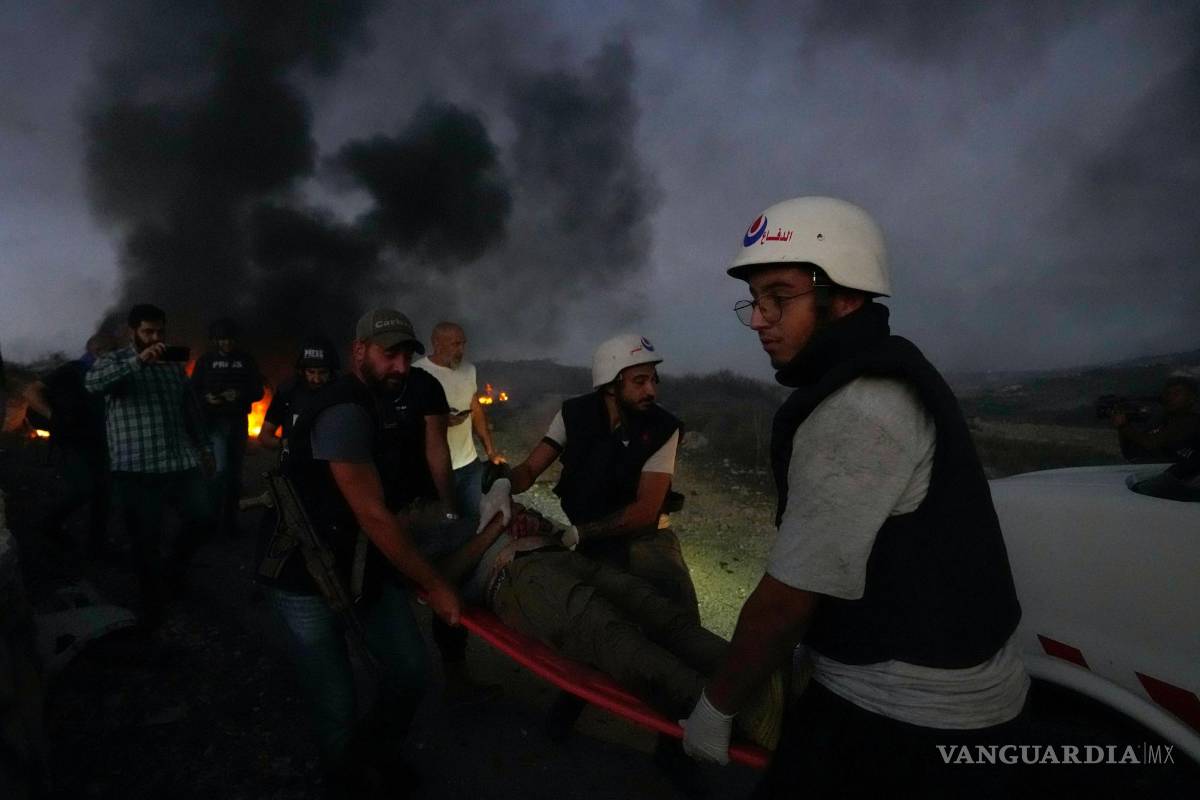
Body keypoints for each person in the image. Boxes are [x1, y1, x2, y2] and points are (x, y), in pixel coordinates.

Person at [681, 197, 1028, 797]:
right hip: (944, 695)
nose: (760, 320)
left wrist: (717, 704)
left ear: (844, 297)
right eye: (755, 302)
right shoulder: (884, 371)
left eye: (779, 298)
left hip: (906, 715)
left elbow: (787, 600)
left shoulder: (859, 409)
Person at [255, 308, 460, 796]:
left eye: (407, 357)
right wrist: (434, 584)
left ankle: (375, 754)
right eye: (390, 355)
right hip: (304, 574)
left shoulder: (377, 401)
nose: (401, 368)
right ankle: (346, 779)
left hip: (362, 563)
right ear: (360, 351)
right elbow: (372, 512)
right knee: (335, 700)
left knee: (409, 670)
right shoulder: (344, 409)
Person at [438, 504, 782, 750]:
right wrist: (496, 528)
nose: (417, 503)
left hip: (558, 556)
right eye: (411, 504)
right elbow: (437, 585)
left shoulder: (463, 506)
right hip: (517, 580)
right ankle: (739, 716)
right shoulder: (422, 539)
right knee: (614, 637)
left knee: (663, 617)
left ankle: (763, 686)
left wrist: (532, 521)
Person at [85, 304, 218, 628]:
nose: (155, 338)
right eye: (148, 332)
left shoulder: (173, 364)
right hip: (137, 467)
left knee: (203, 517)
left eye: (159, 331)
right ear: (134, 332)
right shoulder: (114, 361)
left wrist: (204, 447)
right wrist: (138, 361)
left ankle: (173, 571)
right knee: (146, 539)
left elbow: (189, 407)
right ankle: (151, 612)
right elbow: (93, 384)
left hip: (178, 460)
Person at [22, 333, 117, 557]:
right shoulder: (70, 370)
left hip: (99, 441)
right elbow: (31, 392)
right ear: (97, 351)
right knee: (84, 488)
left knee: (104, 493)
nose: (114, 358)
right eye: (110, 353)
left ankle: (97, 546)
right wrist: (53, 417)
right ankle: (49, 525)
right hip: (72, 441)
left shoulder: (105, 375)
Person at [413, 321, 503, 528]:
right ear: (436, 343)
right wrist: (441, 421)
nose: (461, 350)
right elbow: (409, 423)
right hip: (436, 471)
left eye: (463, 344)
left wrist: (491, 452)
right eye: (455, 344)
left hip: (470, 466)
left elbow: (476, 410)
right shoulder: (417, 374)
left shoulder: (469, 370)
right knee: (445, 526)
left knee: (476, 522)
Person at [191, 318, 264, 537]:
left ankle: (229, 523)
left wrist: (239, 395)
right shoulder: (205, 361)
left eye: (230, 339)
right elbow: (194, 390)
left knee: (234, 474)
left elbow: (258, 391)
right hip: (215, 423)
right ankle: (210, 522)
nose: (226, 344)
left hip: (238, 422)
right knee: (219, 471)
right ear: (215, 340)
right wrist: (207, 399)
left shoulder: (246, 361)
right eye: (222, 340)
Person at [1113, 375, 1200, 501]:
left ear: (1192, 398)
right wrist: (1124, 426)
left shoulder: (1191, 422)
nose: (1171, 397)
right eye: (1168, 393)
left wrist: (1124, 425)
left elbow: (1151, 443)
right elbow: (1133, 454)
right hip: (1178, 477)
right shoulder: (1165, 420)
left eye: (1177, 393)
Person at [258, 335, 339, 450]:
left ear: (331, 372)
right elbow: (264, 436)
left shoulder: (341, 394)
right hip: (294, 464)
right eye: (311, 372)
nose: (316, 379)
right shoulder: (287, 393)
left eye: (322, 373)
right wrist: (286, 444)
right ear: (302, 371)